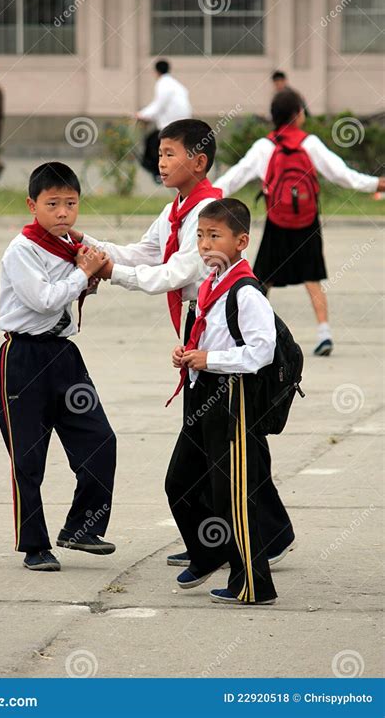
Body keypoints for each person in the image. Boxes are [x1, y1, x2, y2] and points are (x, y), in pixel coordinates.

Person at [68, 119, 295, 570]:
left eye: (170, 153)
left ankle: (234, 541)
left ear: (199, 161)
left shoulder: (208, 212)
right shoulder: (177, 208)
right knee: (226, 442)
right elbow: (145, 252)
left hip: (224, 328)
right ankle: (256, 534)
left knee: (225, 442)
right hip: (200, 325)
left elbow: (175, 274)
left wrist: (110, 272)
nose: (161, 160)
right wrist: (83, 241)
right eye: (160, 153)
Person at [0, 162, 117, 571]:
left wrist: (86, 276)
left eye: (71, 203)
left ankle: (82, 527)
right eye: (52, 204)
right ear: (32, 205)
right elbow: (45, 299)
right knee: (29, 458)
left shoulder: (70, 245)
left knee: (100, 439)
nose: (63, 212)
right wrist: (83, 275)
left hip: (64, 356)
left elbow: (98, 263)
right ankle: (34, 545)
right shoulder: (22, 250)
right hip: (23, 359)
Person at [166, 198, 278, 605]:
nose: (205, 244)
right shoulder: (212, 281)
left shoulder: (245, 291)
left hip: (231, 397)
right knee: (179, 483)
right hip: (203, 392)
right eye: (200, 235)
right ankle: (208, 551)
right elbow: (211, 337)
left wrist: (210, 359)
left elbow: (262, 350)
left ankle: (253, 584)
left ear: (241, 241)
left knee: (231, 494)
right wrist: (189, 356)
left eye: (215, 236)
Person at [214, 90, 385, 356]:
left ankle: (244, 332)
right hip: (306, 221)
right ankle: (324, 332)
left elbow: (235, 177)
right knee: (312, 277)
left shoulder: (264, 147)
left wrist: (207, 195)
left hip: (277, 221)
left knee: (262, 280)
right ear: (297, 114)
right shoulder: (310, 143)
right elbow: (342, 175)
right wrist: (376, 183)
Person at [136, 60, 192, 182]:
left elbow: (158, 106)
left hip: (171, 125)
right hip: (183, 124)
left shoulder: (163, 84)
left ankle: (159, 173)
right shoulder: (176, 85)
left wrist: (141, 115)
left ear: (156, 72)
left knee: (151, 143)